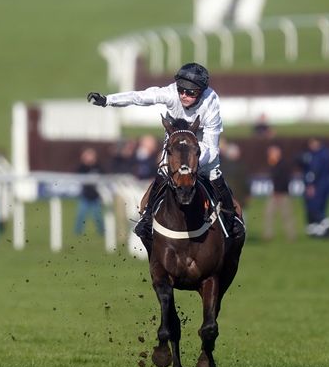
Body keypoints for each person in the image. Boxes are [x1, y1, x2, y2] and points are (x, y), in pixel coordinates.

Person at [87, 62, 245, 243]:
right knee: (162, 172)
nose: (184, 95)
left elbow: (212, 149)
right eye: (181, 90)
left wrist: (190, 166)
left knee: (215, 175)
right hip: (175, 142)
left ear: (201, 91)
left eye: (190, 92)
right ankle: (146, 219)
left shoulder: (211, 102)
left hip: (201, 147)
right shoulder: (170, 93)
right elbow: (140, 97)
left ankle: (233, 221)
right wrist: (108, 100)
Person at [298, 138, 329, 237]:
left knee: (314, 209)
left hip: (319, 186)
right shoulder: (327, 154)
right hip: (325, 184)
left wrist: (310, 184)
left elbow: (314, 171)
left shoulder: (317, 156)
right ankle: (319, 231)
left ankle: (327, 227)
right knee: (320, 209)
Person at [263, 144, 296, 241]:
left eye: (271, 153)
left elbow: (285, 180)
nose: (269, 155)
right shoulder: (273, 164)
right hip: (275, 193)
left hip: (282, 194)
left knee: (287, 216)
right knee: (268, 214)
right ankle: (268, 235)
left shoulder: (284, 165)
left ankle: (291, 236)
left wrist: (278, 191)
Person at [74, 148, 104, 236]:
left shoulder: (98, 167)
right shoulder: (82, 167)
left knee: (97, 216)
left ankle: (102, 232)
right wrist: (86, 164)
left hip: (96, 196)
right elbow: (78, 174)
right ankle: (77, 232)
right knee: (81, 215)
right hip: (85, 196)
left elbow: (103, 177)